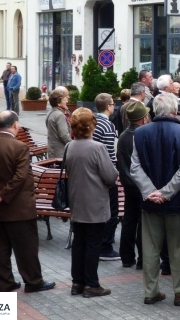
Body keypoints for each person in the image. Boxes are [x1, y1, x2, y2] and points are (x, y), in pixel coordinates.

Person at [130, 93, 180, 307]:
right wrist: (166, 192)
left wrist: (151, 191)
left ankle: (151, 291)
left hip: (149, 201)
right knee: (179, 248)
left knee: (150, 248)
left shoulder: (140, 133)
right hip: (177, 201)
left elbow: (135, 167)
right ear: (174, 111)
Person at [0, 111, 55, 293]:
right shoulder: (20, 147)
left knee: (0, 249)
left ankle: (4, 283)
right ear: (16, 124)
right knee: (26, 248)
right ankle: (33, 281)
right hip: (19, 208)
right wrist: (3, 194)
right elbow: (20, 177)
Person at [65, 108, 118, 297]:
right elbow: (110, 177)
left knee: (79, 242)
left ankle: (77, 283)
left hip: (76, 201)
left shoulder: (69, 146)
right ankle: (91, 284)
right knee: (93, 244)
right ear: (91, 126)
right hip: (95, 202)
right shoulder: (97, 147)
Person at [117, 101, 150, 270]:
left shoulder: (123, 135)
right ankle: (143, 259)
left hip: (128, 183)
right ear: (143, 118)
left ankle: (127, 256)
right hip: (141, 184)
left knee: (129, 220)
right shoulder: (143, 135)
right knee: (143, 221)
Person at [92, 93, 120, 262]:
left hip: (92, 175)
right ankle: (106, 246)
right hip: (104, 177)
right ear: (109, 106)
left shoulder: (94, 121)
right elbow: (109, 155)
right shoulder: (107, 126)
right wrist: (112, 176)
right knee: (112, 212)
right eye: (112, 104)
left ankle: (98, 244)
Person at [46, 88, 72, 159]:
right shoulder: (59, 115)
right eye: (64, 99)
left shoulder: (51, 112)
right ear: (58, 103)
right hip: (60, 152)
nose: (67, 100)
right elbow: (64, 135)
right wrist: (73, 145)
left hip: (53, 150)